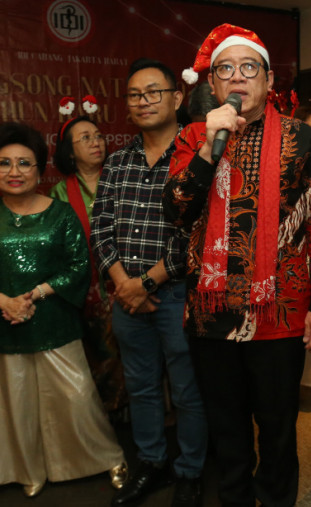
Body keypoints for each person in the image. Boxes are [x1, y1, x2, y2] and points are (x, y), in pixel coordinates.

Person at [163, 24, 311, 506]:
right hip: (210, 311)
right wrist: (207, 150)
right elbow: (177, 209)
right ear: (213, 85)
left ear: (266, 81)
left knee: (279, 429)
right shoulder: (193, 137)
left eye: (249, 68)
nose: (238, 78)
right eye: (226, 69)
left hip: (278, 314)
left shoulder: (303, 139)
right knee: (227, 430)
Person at [91, 58, 207, 507]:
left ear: (177, 98)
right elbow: (101, 226)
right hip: (127, 298)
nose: (144, 101)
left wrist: (149, 282)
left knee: (186, 389)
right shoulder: (118, 162)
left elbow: (201, 231)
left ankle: (191, 471)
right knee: (140, 387)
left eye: (154, 92)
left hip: (176, 295)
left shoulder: (196, 157)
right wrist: (124, 283)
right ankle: (152, 462)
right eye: (136, 95)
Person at [0, 122, 126, 498]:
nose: (14, 172)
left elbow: (78, 267)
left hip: (55, 322)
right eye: (4, 163)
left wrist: (34, 294)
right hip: (6, 325)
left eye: (24, 163)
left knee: (76, 398)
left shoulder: (60, 213)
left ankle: (105, 456)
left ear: (40, 169)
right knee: (16, 401)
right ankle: (26, 470)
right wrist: (5, 302)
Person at [50, 116, 127, 416]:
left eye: (98, 135)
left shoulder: (122, 180)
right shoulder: (58, 195)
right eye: (85, 138)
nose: (96, 142)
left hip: (129, 288)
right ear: (69, 151)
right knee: (97, 364)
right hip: (87, 297)